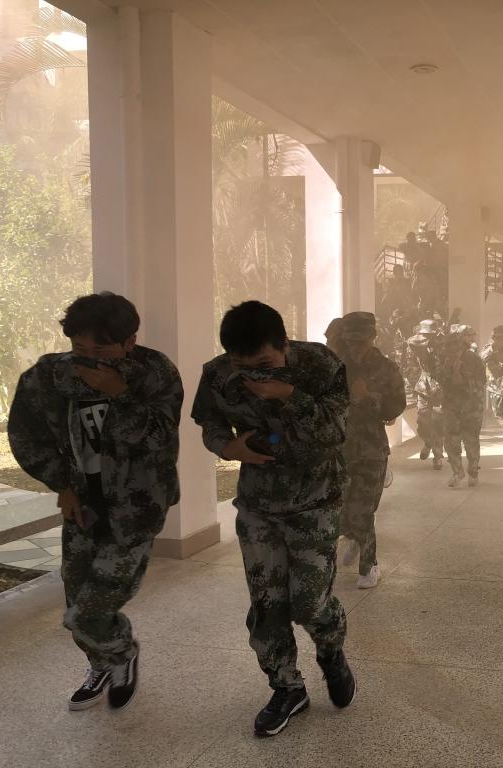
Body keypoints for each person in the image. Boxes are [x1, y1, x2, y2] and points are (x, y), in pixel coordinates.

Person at [7, 292, 183, 712]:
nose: (87, 359)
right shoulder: (50, 375)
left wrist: (120, 393)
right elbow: (24, 435)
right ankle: (102, 663)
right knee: (77, 603)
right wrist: (62, 485)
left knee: (89, 612)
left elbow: (161, 439)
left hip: (136, 509)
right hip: (82, 507)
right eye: (78, 347)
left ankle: (122, 654)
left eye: (101, 351)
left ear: (129, 342)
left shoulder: (154, 372)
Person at [191, 301, 354, 738]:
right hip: (258, 504)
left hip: (315, 501)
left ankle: (331, 649)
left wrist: (289, 396)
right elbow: (209, 421)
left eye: (264, 365)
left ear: (284, 344)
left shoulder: (320, 365)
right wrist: (228, 448)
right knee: (267, 604)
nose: (254, 376)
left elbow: (335, 432)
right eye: (243, 366)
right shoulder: (218, 374)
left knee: (310, 602)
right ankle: (287, 687)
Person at [334, 311, 406, 589]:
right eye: (350, 341)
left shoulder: (386, 368)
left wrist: (368, 398)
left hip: (371, 450)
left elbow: (395, 406)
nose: (355, 346)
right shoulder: (336, 366)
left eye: (360, 341)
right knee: (340, 508)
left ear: (373, 336)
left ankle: (369, 565)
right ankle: (353, 535)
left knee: (363, 509)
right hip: (338, 448)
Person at [439, 325, 485, 488]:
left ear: (462, 348)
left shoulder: (474, 359)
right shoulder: (443, 359)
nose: (452, 354)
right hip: (451, 406)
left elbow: (480, 383)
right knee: (451, 441)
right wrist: (447, 370)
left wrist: (460, 377)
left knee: (471, 440)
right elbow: (439, 380)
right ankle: (457, 472)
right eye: (449, 350)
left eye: (456, 350)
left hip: (471, 406)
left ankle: (473, 471)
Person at [407, 319, 445, 470]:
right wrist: (425, 340)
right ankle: (428, 443)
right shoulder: (416, 344)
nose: (429, 337)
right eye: (425, 334)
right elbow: (410, 343)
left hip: (442, 388)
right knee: (422, 423)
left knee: (438, 424)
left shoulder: (443, 344)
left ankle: (438, 456)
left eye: (431, 334)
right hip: (424, 387)